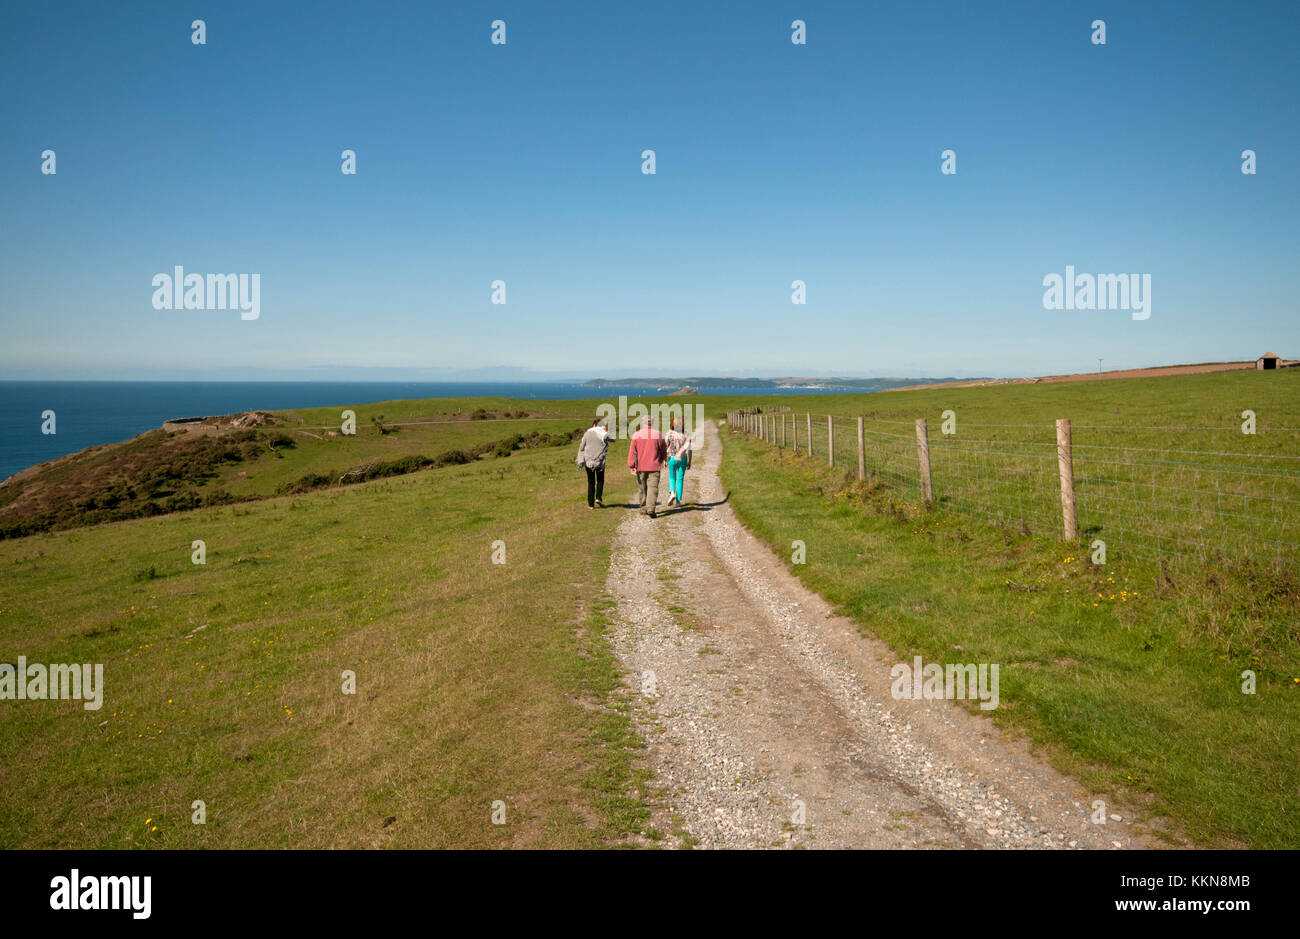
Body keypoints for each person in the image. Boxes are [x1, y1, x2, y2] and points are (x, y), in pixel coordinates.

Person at [626, 415, 667, 517]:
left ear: (642, 423)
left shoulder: (636, 435)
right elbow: (663, 450)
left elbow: (632, 452)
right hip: (654, 466)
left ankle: (644, 508)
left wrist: (631, 465)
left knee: (642, 488)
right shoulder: (658, 434)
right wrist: (663, 459)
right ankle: (651, 508)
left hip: (641, 466)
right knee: (653, 488)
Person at [575, 418, 610, 509]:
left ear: (594, 425)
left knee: (591, 482)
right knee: (600, 480)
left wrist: (581, 459)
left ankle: (591, 505)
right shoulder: (603, 434)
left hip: (588, 461)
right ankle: (598, 498)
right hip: (599, 461)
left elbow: (582, 447)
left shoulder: (587, 434)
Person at [664, 417, 691, 506]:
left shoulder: (669, 433)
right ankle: (678, 501)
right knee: (680, 479)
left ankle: (672, 493)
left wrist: (664, 459)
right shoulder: (686, 434)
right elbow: (689, 449)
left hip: (671, 458)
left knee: (672, 477)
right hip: (683, 458)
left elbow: (665, 447)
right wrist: (689, 461)